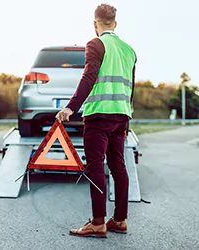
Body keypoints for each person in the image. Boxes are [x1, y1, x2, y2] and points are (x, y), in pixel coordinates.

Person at [56, 3, 136, 238]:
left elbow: (89, 76)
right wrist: (127, 116)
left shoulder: (95, 44)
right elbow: (131, 88)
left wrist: (71, 107)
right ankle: (120, 220)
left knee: (95, 166)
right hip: (121, 114)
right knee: (118, 167)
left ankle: (98, 222)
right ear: (115, 24)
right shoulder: (129, 50)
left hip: (98, 115)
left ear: (95, 24)